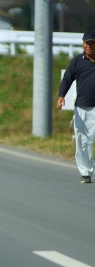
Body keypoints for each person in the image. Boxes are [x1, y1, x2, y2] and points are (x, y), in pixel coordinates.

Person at [57, 30, 95, 184]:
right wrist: (61, 96)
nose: (89, 46)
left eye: (92, 43)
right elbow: (67, 79)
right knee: (83, 141)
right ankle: (85, 172)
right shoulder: (77, 61)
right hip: (83, 108)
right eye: (86, 43)